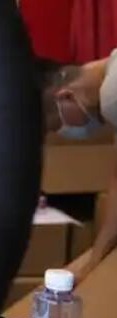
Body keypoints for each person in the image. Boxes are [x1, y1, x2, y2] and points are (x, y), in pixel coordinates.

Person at [40, 51, 117, 283]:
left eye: (58, 125)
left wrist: (93, 263)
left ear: (66, 96)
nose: (64, 132)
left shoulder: (111, 97)